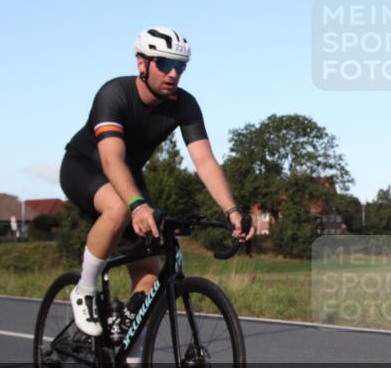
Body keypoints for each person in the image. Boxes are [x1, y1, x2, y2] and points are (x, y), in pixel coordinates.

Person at [60, 26, 253, 338]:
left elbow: (204, 161)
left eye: (180, 66)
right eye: (164, 64)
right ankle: (85, 290)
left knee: (150, 278)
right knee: (120, 207)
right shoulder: (114, 94)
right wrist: (137, 205)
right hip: (85, 168)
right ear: (142, 63)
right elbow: (111, 159)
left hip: (129, 179)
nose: (173, 73)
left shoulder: (184, 105)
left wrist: (231, 210)